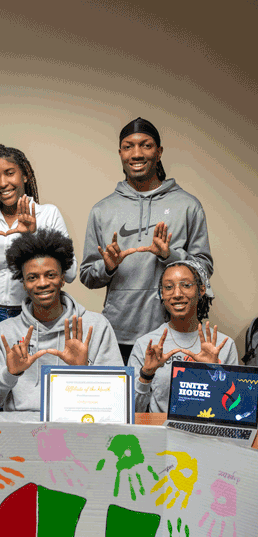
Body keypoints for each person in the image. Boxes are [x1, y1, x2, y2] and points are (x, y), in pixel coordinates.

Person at [80, 117, 213, 364]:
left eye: (146, 145)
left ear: (159, 152)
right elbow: (87, 276)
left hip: (173, 333)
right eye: (129, 146)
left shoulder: (187, 205)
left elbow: (204, 270)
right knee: (124, 402)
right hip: (116, 335)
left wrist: (169, 255)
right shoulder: (102, 210)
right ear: (120, 153)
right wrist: (108, 266)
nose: (137, 153)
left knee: (167, 403)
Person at [0, 144, 77, 373]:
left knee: (25, 391)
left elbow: (70, 274)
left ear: (25, 175)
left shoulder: (47, 214)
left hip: (30, 317)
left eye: (10, 173)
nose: (2, 183)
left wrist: (34, 234)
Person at [0, 229, 122, 411]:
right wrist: (9, 374)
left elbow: (117, 398)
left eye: (50, 275)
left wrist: (83, 370)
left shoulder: (95, 326)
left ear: (62, 278)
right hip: (21, 430)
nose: (42, 283)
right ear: (24, 283)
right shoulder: (4, 333)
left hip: (76, 426)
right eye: (32, 277)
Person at [128, 260, 238, 412]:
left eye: (186, 285)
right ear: (161, 294)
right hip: (162, 433)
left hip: (206, 434)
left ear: (201, 290)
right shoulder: (146, 345)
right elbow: (132, 412)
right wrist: (146, 375)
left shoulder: (223, 345)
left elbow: (233, 411)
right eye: (168, 287)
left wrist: (215, 373)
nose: (177, 294)